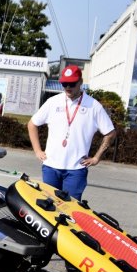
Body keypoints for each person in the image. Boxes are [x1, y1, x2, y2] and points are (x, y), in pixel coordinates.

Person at [27, 65, 116, 200]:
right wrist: (37, 150)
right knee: (48, 207)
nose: (68, 87)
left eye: (72, 83)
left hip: (76, 170)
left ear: (80, 82)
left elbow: (110, 133)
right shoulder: (53, 102)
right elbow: (32, 124)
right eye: (64, 83)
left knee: (71, 211)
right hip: (51, 166)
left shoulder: (93, 106)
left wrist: (97, 157)